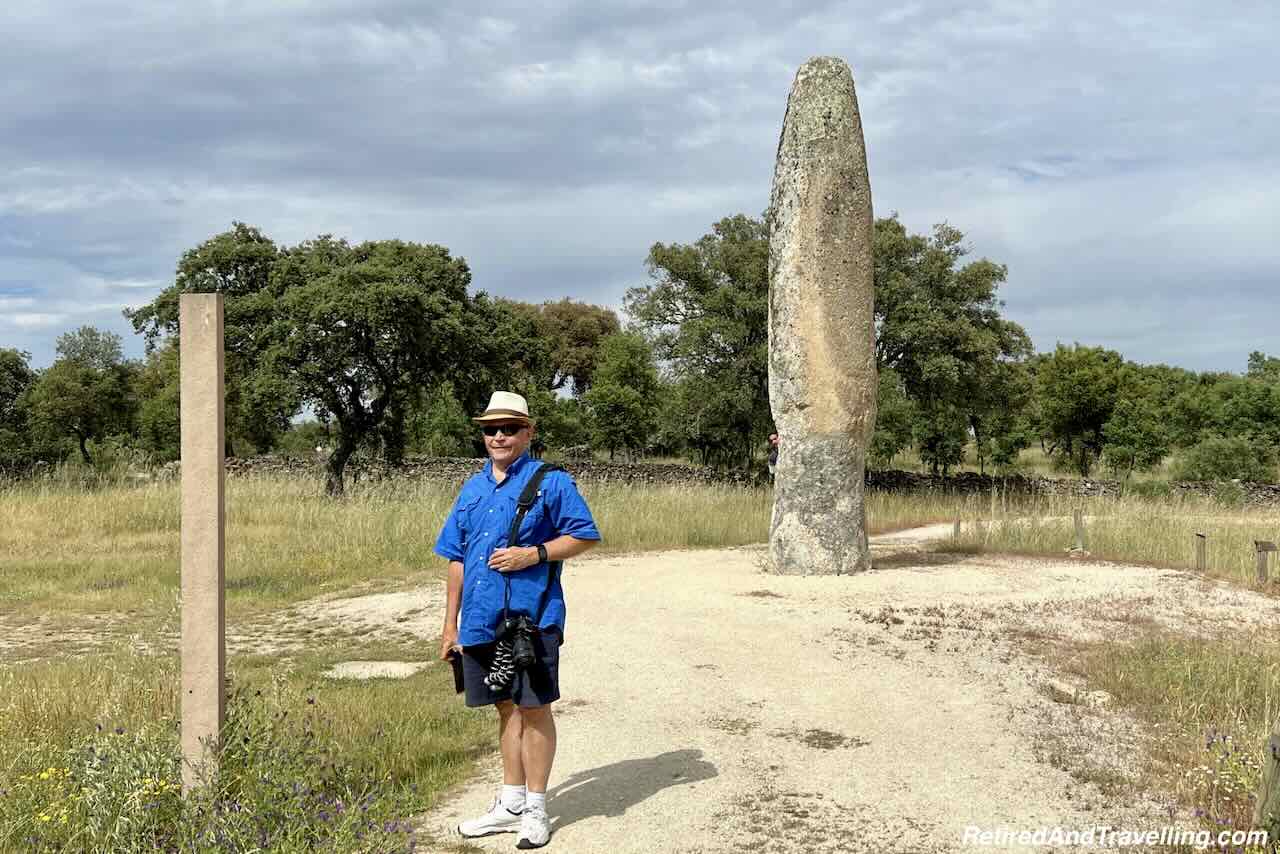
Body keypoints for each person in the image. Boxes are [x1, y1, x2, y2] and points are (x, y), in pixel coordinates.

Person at [435, 390, 601, 849]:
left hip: (532, 619)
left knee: (534, 707)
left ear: (528, 432)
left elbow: (585, 534)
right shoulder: (472, 488)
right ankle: (509, 803)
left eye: (509, 428)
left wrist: (535, 554)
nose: (499, 436)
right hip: (481, 622)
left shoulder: (552, 482)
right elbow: (455, 559)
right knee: (504, 706)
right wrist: (451, 625)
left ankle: (536, 808)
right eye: (491, 429)